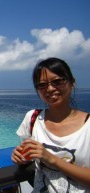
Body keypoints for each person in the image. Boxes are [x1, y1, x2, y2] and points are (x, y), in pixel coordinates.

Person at [11, 57, 90, 192]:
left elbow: (46, 157)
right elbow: (28, 154)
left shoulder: (87, 125)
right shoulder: (33, 118)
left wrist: (51, 159)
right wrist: (21, 157)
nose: (50, 88)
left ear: (72, 83)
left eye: (57, 81)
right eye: (42, 85)